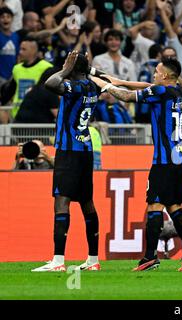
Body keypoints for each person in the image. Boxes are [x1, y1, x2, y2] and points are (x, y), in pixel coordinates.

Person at [91, 58, 182, 272]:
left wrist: (106, 86)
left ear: (166, 76)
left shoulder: (161, 92)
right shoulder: (176, 91)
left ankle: (150, 257)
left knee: (154, 206)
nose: (154, 74)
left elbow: (127, 97)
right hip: (180, 157)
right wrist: (120, 80)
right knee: (174, 207)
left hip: (164, 160)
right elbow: (148, 87)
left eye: (157, 71)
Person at [31, 51, 101, 272]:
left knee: (62, 200)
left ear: (73, 68)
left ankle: (58, 261)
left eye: (67, 63)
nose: (63, 66)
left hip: (69, 150)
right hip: (85, 149)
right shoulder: (92, 87)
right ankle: (93, 260)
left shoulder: (77, 87)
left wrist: (65, 70)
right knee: (87, 202)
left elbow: (50, 84)